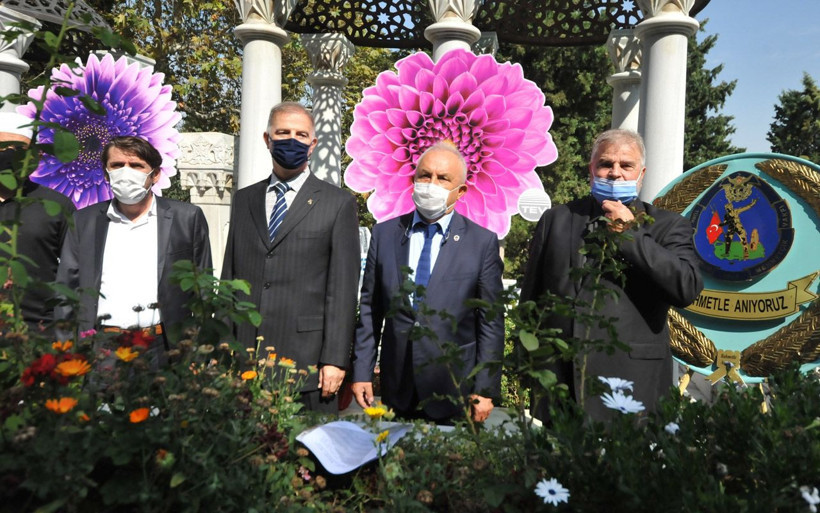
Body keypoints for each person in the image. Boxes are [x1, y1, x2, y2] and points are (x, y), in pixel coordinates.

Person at [520, 129, 703, 420]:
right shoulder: (558, 219)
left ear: (641, 174)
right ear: (591, 170)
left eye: (626, 166)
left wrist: (630, 236)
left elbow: (686, 287)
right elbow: (531, 301)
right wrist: (528, 369)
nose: (615, 173)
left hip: (632, 383)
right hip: (561, 383)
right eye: (606, 164)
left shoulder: (668, 226)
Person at [221, 102, 360, 414]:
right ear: (267, 139)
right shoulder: (245, 200)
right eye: (283, 132)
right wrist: (222, 349)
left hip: (307, 364)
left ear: (313, 145)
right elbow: (230, 278)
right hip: (246, 360)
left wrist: (336, 359)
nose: (291, 140)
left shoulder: (337, 204)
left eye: (301, 135)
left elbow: (342, 290)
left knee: (304, 458)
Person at [351, 142, 505, 423]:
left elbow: (491, 324)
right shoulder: (385, 234)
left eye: (443, 178)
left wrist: (485, 389)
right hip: (398, 388)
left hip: (455, 392)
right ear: (413, 180)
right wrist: (362, 372)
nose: (431, 184)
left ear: (461, 191)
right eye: (425, 175)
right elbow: (370, 310)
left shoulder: (481, 243)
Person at [56, 136, 212, 365]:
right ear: (106, 172)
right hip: (101, 349)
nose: (126, 172)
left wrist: (200, 354)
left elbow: (203, 291)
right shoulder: (83, 221)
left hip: (161, 349)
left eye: (136, 166)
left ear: (155, 174)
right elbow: (66, 289)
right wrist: (65, 353)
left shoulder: (186, 218)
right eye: (117, 165)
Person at [0, 112, 75, 330]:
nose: (9, 156)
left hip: (38, 335)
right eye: (2, 148)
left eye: (19, 150)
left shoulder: (56, 205)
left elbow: (74, 272)